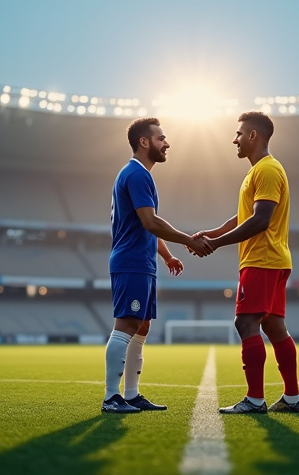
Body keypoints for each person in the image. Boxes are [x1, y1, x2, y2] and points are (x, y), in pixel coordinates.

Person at [193, 111, 299, 414]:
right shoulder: (259, 172)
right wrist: (213, 233)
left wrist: (215, 244)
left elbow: (260, 220)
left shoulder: (267, 169)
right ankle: (292, 398)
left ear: (253, 135)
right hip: (273, 259)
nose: (235, 140)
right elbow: (245, 215)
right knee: (275, 327)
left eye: (239, 134)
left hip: (262, 259)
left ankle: (255, 400)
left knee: (245, 322)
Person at [103, 117, 214, 413]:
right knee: (127, 323)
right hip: (131, 261)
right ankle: (111, 397)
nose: (167, 144)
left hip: (143, 261)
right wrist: (188, 241)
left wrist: (166, 255)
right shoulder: (136, 174)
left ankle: (131, 394)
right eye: (161, 138)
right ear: (144, 142)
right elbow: (150, 222)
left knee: (142, 326)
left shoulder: (139, 174)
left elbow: (146, 227)